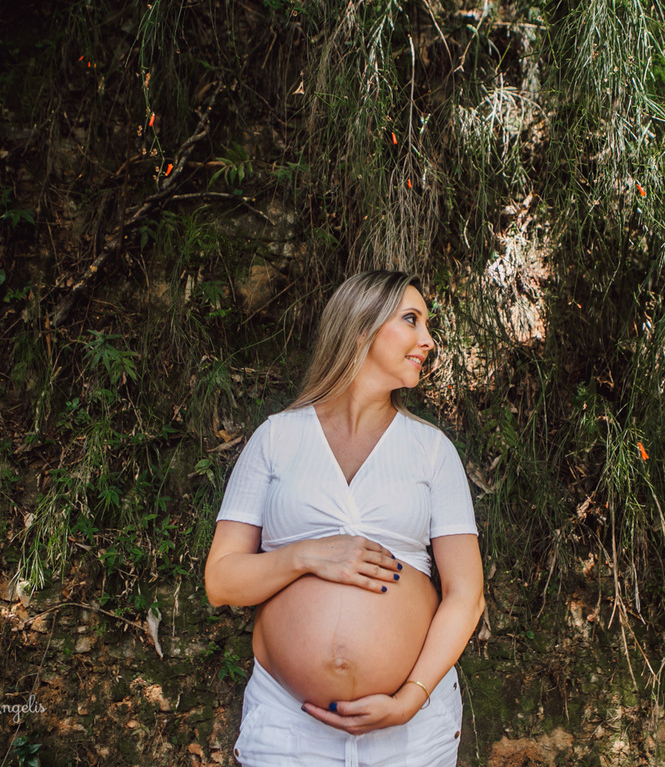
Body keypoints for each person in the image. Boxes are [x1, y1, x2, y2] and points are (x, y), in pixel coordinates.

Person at [205, 270, 485, 766]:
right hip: (289, 725)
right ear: (361, 328)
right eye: (411, 320)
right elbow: (221, 582)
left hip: (411, 732)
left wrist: (410, 698)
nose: (429, 340)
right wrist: (306, 555)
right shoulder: (276, 439)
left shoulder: (431, 451)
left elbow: (467, 594)